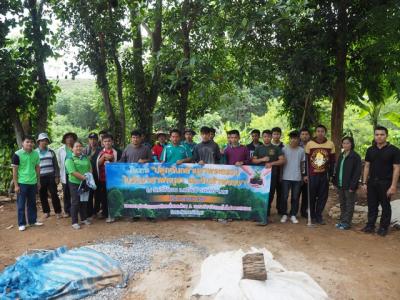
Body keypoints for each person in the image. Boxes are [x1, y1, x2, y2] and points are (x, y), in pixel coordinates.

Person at [361, 126, 400, 236]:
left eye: (382, 134)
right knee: (372, 205)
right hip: (372, 182)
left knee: (385, 205)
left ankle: (383, 227)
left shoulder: (394, 150)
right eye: (377, 134)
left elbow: (397, 168)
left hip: (386, 183)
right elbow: (367, 166)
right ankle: (370, 225)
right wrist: (364, 183)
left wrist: (393, 186)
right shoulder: (370, 150)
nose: (379, 136)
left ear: (386, 136)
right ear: (374, 136)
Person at [252, 129, 285, 225]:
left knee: (269, 195)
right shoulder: (258, 148)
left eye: (268, 136)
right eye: (265, 136)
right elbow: (254, 161)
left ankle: (266, 215)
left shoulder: (276, 148)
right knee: (259, 194)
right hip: (260, 176)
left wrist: (271, 163)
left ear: (271, 137)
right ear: (262, 137)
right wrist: (262, 159)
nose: (267, 138)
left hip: (272, 176)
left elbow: (282, 160)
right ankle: (259, 214)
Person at [304, 124, 335, 225]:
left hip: (324, 175)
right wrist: (305, 174)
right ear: (315, 132)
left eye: (322, 131)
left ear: (325, 132)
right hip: (312, 175)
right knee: (311, 195)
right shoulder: (310, 144)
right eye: (318, 131)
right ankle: (311, 215)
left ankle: (319, 215)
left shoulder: (330, 144)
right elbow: (306, 161)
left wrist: (331, 175)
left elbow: (333, 161)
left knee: (323, 196)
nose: (320, 133)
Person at [12, 136, 44, 231]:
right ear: (23, 143)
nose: (30, 144)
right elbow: (14, 171)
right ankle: (21, 223)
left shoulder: (36, 154)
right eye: (27, 142)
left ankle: (32, 221)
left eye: (31, 142)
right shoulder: (17, 154)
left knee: (32, 203)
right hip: (22, 183)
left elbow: (37, 168)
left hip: (33, 182)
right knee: (21, 204)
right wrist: (16, 185)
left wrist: (38, 182)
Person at [333, 137, 362, 230]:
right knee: (342, 204)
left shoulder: (355, 156)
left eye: (347, 143)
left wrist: (353, 186)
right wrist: (336, 182)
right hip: (341, 184)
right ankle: (342, 221)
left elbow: (357, 172)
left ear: (351, 144)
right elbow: (338, 169)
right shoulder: (342, 155)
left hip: (349, 185)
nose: (345, 145)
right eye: (344, 143)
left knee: (349, 204)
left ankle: (347, 223)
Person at [65, 141, 92, 230]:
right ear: (72, 148)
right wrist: (84, 178)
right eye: (76, 146)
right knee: (76, 202)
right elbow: (72, 172)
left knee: (84, 201)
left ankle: (84, 218)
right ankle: (74, 222)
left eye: (80, 146)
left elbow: (90, 167)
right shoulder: (69, 158)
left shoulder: (85, 157)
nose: (78, 148)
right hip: (75, 183)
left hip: (85, 182)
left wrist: (89, 176)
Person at [280, 131, 306, 224]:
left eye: (295, 138)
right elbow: (281, 164)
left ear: (299, 139)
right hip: (285, 177)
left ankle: (293, 214)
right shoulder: (284, 149)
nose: (293, 140)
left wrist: (303, 176)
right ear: (289, 139)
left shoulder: (301, 150)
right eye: (292, 138)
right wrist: (281, 176)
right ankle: (284, 214)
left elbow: (302, 164)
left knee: (295, 197)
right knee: (284, 196)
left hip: (297, 177)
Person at [36, 133, 62, 219]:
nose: (44, 142)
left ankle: (58, 212)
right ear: (39, 142)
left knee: (54, 194)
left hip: (51, 176)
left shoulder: (51, 152)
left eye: (46, 140)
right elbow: (34, 166)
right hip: (41, 177)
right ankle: (46, 212)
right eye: (42, 140)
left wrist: (57, 176)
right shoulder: (35, 153)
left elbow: (55, 165)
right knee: (42, 195)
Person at [96, 134, 118, 223]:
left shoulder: (116, 152)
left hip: (113, 180)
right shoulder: (100, 152)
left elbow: (120, 164)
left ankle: (113, 214)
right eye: (105, 141)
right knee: (104, 197)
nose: (107, 143)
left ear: (112, 142)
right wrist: (103, 157)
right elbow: (97, 164)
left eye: (109, 141)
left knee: (113, 197)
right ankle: (106, 214)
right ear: (102, 143)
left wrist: (112, 160)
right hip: (102, 179)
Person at [57, 132, 77, 218]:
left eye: (71, 137)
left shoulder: (77, 148)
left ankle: (76, 210)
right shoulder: (60, 150)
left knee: (75, 193)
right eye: (67, 137)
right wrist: (58, 176)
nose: (69, 139)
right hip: (65, 174)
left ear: (74, 139)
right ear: (65, 140)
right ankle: (67, 210)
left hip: (76, 174)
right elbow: (59, 163)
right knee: (67, 193)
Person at [83, 132, 101, 219]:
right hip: (88, 176)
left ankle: (96, 211)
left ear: (97, 140)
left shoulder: (101, 150)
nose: (93, 141)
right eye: (91, 139)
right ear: (88, 140)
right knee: (89, 194)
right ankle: (88, 212)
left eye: (94, 139)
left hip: (98, 175)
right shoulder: (85, 150)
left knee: (97, 194)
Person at [271, 127, 285, 216]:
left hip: (281, 173)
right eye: (274, 134)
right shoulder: (268, 146)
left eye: (278, 134)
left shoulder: (284, 147)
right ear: (272, 135)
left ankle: (280, 210)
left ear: (280, 135)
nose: (276, 136)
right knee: (270, 192)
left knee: (281, 193)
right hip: (269, 174)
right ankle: (267, 209)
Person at [299, 127, 311, 218]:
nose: (304, 136)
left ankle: (304, 211)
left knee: (306, 194)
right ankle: (293, 212)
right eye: (302, 134)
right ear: (300, 136)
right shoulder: (296, 145)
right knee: (296, 194)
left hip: (309, 172)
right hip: (297, 172)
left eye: (306, 134)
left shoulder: (312, 145)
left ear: (309, 135)